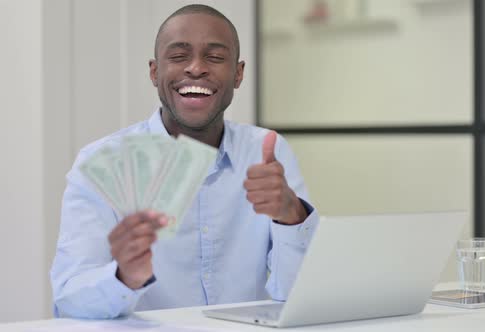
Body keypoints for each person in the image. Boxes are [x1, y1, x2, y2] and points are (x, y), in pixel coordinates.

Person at [50, 4, 318, 319]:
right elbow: (69, 300)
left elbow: (300, 298)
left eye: (215, 57)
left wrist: (292, 218)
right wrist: (124, 278)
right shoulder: (103, 161)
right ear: (154, 72)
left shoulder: (267, 153)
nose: (195, 68)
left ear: (238, 73)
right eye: (178, 56)